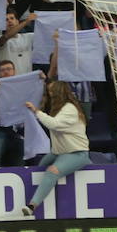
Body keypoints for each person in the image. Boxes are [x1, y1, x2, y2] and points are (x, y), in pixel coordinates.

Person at [22, 81, 90, 216]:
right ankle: (39, 192)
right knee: (39, 166)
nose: (50, 94)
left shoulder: (70, 109)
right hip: (59, 153)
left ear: (59, 92)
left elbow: (53, 124)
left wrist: (36, 111)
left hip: (77, 154)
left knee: (51, 172)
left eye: (52, 92)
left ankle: (32, 206)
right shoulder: (58, 109)